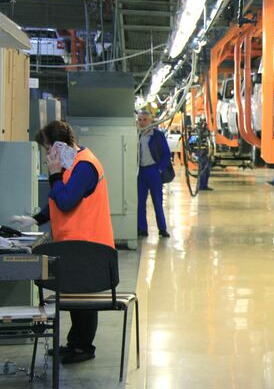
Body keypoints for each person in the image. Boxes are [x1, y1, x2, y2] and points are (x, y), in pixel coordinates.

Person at [12, 120, 114, 364]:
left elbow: (67, 200)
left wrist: (56, 174)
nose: (47, 155)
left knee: (83, 299)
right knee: (75, 298)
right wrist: (35, 219)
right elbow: (59, 200)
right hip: (74, 244)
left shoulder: (85, 166)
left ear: (60, 146)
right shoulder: (72, 165)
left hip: (90, 245)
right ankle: (74, 343)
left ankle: (83, 348)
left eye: (48, 149)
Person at [137, 111, 173, 238]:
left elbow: (166, 154)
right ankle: (142, 229)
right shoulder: (137, 136)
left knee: (157, 202)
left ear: (151, 121)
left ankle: (162, 229)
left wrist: (159, 169)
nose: (142, 122)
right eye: (140, 120)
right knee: (140, 202)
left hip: (153, 171)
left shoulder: (157, 136)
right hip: (141, 172)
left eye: (145, 119)